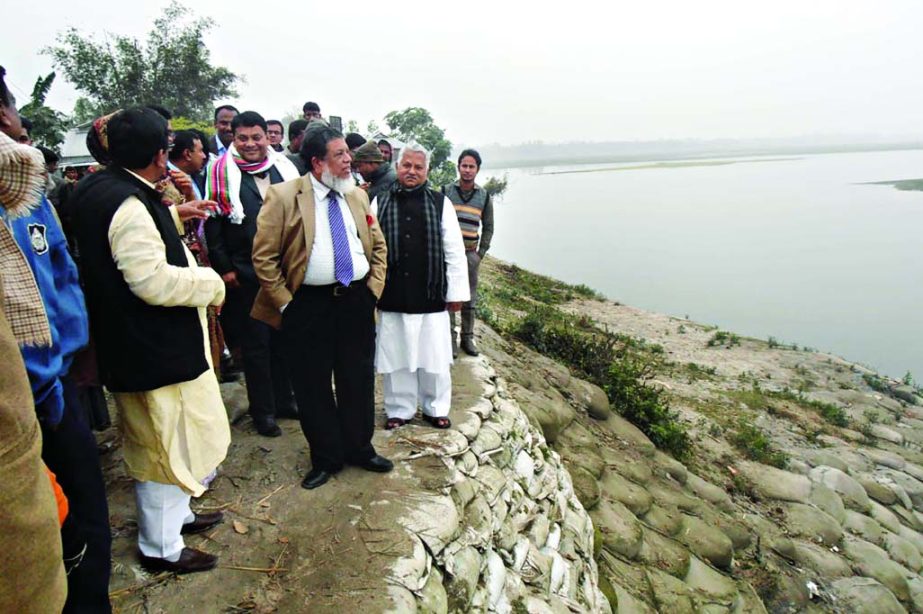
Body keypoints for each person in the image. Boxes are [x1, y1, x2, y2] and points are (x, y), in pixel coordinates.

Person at [71, 107, 229, 574]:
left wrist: (176, 220)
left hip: (136, 343)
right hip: (152, 347)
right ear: (160, 155)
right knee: (164, 444)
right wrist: (209, 283)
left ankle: (178, 517)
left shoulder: (102, 189)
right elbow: (151, 281)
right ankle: (160, 546)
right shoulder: (127, 203)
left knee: (168, 437)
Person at [0, 65, 112, 612]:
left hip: (54, 387)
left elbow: (60, 278)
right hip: (18, 402)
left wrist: (75, 355)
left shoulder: (28, 197)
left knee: (81, 517)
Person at [251, 125, 392, 489]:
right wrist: (286, 305)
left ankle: (360, 447)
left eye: (348, 153)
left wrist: (372, 289)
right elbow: (264, 258)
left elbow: (377, 246)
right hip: (307, 306)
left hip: (356, 301)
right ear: (317, 163)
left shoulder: (357, 195)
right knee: (312, 385)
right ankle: (326, 458)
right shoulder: (284, 197)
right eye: (340, 155)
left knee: (357, 379)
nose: (350, 161)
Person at [205, 111, 300, 437]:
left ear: (267, 137)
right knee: (256, 345)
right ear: (233, 138)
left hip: (285, 271)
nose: (249, 144)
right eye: (242, 138)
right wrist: (226, 268)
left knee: (285, 340)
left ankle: (286, 401)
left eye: (256, 137)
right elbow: (213, 225)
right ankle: (264, 412)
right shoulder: (220, 172)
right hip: (246, 274)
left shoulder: (284, 169)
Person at [371, 142, 469, 430]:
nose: (411, 171)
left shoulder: (441, 203)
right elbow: (373, 249)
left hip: (430, 294)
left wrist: (457, 294)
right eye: (406, 166)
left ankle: (435, 407)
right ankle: (399, 409)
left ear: (427, 171)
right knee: (396, 355)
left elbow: (453, 251)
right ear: (397, 167)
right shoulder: (381, 201)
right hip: (393, 294)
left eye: (418, 167)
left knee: (434, 356)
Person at [442, 149, 494, 357]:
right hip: (448, 255)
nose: (467, 170)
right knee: (448, 295)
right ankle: (450, 341)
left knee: (469, 297)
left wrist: (480, 253)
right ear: (458, 167)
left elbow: (488, 226)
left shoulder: (484, 196)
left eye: (472, 166)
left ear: (477, 170)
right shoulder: (446, 191)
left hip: (471, 254)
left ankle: (467, 338)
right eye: (464, 165)